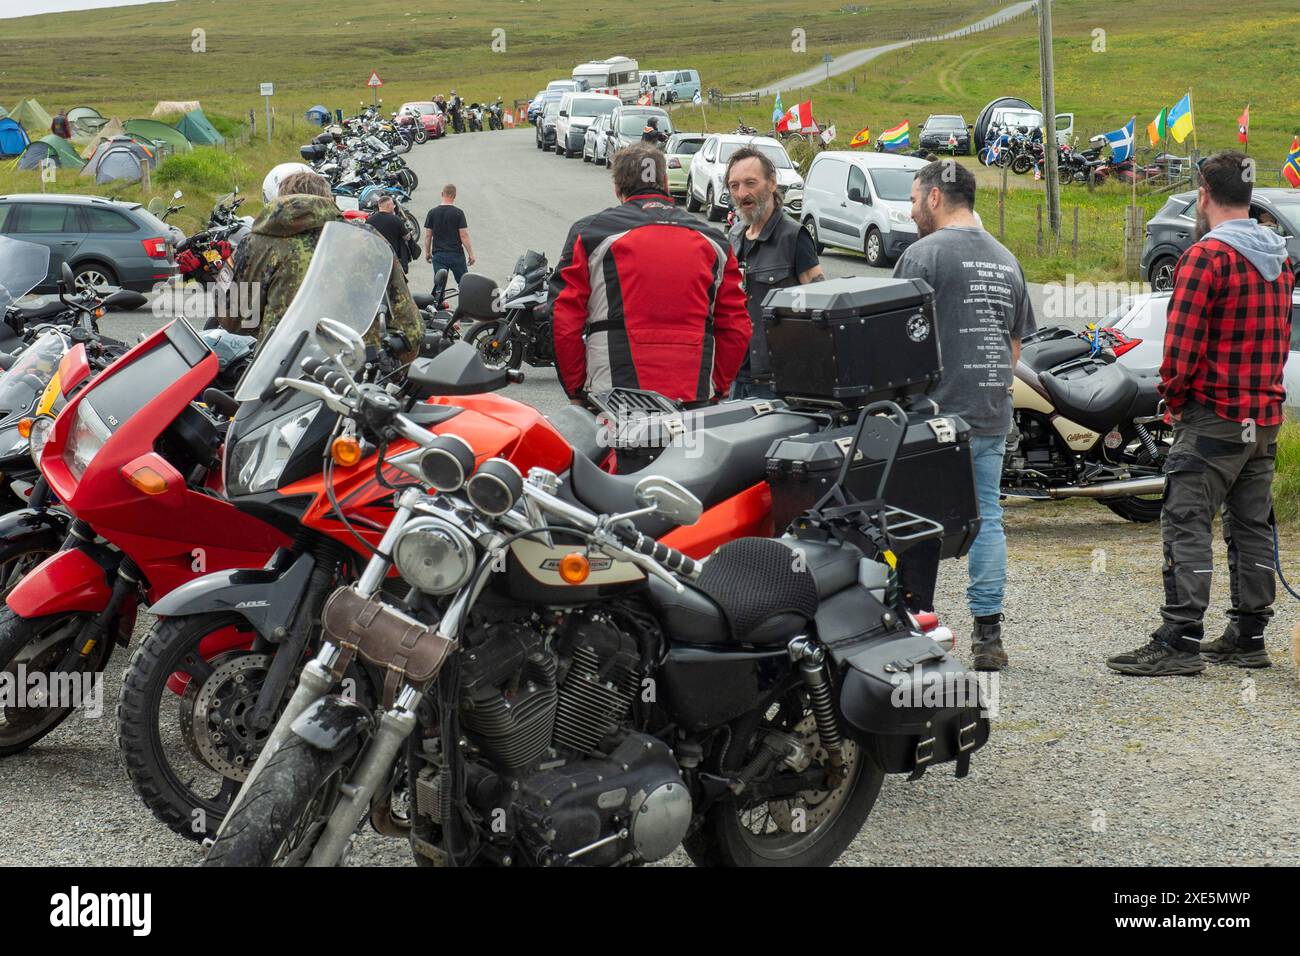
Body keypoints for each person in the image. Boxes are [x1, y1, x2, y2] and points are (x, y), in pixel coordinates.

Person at [1107, 151, 1295, 677]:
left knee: (1187, 519)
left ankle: (1180, 638)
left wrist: (1172, 396)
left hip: (1213, 416)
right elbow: (1279, 340)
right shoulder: (1278, 258)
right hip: (1264, 416)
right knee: (1251, 524)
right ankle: (1249, 634)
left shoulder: (1205, 257)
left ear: (1203, 194)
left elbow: (1182, 346)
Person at [891, 159, 1036, 671]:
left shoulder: (920, 257)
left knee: (915, 521)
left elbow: (897, 342)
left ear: (934, 198)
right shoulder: (1006, 258)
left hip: (931, 418)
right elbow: (1014, 346)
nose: (911, 211)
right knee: (987, 518)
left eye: (913, 200)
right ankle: (988, 636)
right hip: (990, 411)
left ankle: (914, 621)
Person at [550, 143, 750, 406]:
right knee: (690, 447)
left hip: (613, 397)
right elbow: (737, 327)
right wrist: (718, 386)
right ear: (665, 182)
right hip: (693, 394)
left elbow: (562, 320)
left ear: (617, 189)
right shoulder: (715, 240)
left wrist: (576, 388)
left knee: (613, 448)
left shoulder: (589, 233)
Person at [221, 170, 421, 363]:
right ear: (328, 198)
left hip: (281, 375)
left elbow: (232, 319)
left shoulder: (254, 244)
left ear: (280, 199)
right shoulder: (368, 239)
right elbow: (410, 327)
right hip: (357, 374)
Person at [724, 145, 823, 400]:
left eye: (750, 183)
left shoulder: (793, 236)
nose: (741, 193)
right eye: (734, 186)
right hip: (736, 376)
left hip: (778, 381)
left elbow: (821, 304)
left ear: (771, 184)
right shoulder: (734, 237)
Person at [424, 184, 474, 306]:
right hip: (456, 254)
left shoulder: (432, 212)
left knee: (439, 285)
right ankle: (466, 312)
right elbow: (463, 235)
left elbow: (428, 236)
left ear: (442, 194)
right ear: (454, 196)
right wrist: (471, 254)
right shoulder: (458, 213)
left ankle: (438, 309)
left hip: (439, 254)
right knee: (463, 283)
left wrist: (427, 252)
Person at [367, 193, 411, 273]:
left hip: (376, 257)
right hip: (392, 257)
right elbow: (407, 237)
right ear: (389, 206)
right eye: (393, 205)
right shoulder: (396, 219)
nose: (394, 207)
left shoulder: (370, 220)